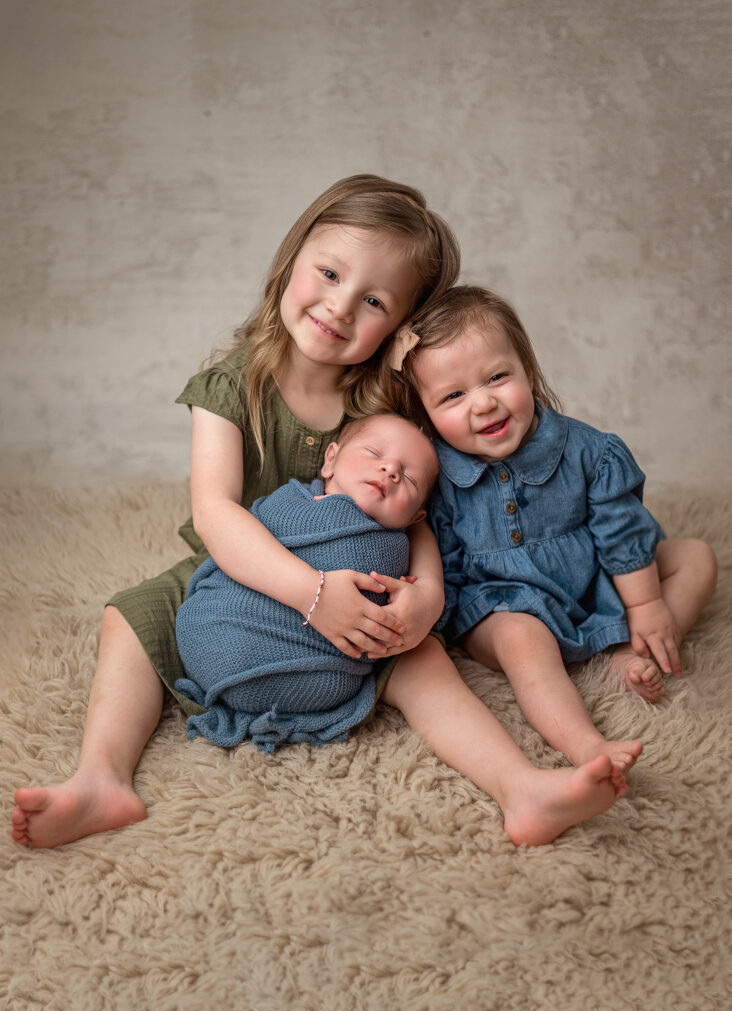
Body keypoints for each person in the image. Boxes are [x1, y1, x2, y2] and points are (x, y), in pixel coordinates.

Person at [11, 173, 459, 849]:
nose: (339, 306)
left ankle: (519, 785)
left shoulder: (381, 407)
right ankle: (102, 778)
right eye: (329, 273)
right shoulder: (231, 385)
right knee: (130, 617)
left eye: (373, 301)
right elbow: (216, 514)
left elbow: (417, 515)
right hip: (234, 577)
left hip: (357, 587)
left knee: (419, 654)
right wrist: (312, 595)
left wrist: (427, 595)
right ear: (292, 259)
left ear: (398, 326)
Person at [384, 284, 717, 779]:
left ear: (528, 369)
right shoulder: (436, 474)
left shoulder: (589, 451)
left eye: (497, 377)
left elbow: (622, 534)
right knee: (522, 638)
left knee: (696, 557)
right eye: (453, 396)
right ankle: (586, 744)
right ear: (424, 412)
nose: (484, 403)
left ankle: (630, 649)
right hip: (500, 604)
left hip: (590, 582)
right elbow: (441, 556)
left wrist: (646, 604)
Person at [173, 413, 439, 752]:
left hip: (319, 676)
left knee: (425, 661)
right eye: (374, 453)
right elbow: (239, 545)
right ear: (330, 460)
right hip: (216, 634)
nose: (391, 470)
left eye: (410, 478)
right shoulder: (286, 501)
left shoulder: (399, 548)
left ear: (415, 518)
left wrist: (419, 596)